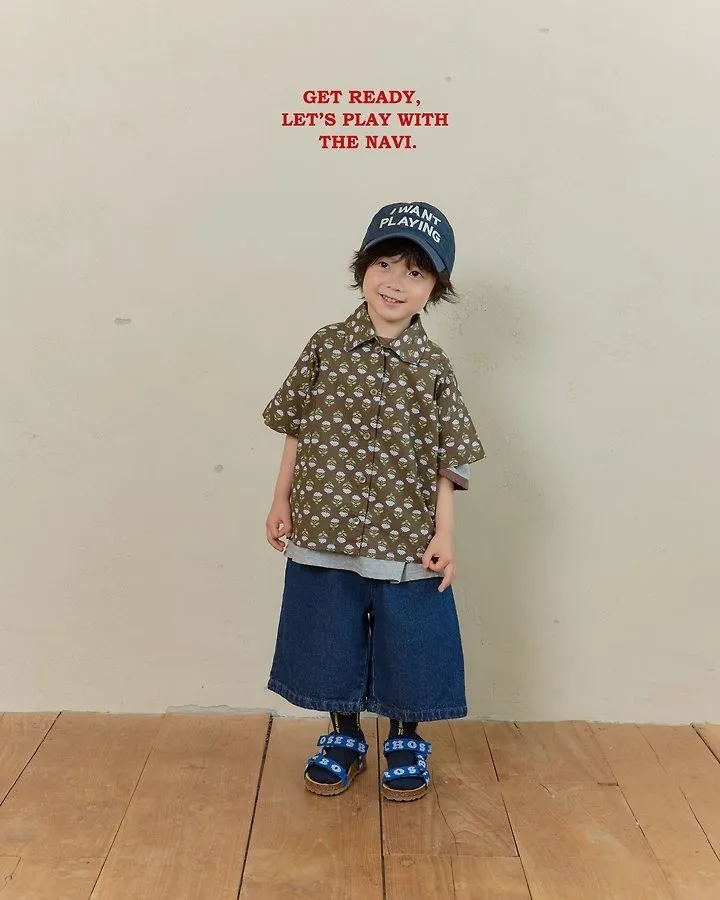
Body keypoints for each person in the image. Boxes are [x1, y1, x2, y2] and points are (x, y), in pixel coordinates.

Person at [262, 202, 485, 801]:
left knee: (410, 640)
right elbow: (295, 426)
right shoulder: (326, 346)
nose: (395, 282)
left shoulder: (433, 366)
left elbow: (449, 458)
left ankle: (407, 738)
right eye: (384, 264)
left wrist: (445, 535)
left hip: (406, 531)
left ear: (434, 288)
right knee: (328, 633)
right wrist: (280, 500)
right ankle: (343, 733)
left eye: (415, 272)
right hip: (324, 523)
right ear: (362, 268)